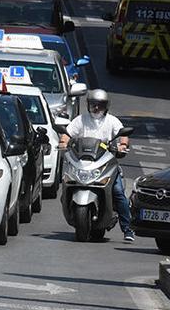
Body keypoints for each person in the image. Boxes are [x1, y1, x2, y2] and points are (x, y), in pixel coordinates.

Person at [59, 89, 134, 243]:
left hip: (105, 161)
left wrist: (123, 145)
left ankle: (128, 229)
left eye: (100, 105)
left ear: (106, 106)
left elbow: (123, 134)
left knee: (118, 192)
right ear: (88, 104)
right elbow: (67, 133)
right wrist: (63, 142)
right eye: (93, 104)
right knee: (66, 183)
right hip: (83, 161)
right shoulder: (81, 120)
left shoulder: (112, 121)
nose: (96, 108)